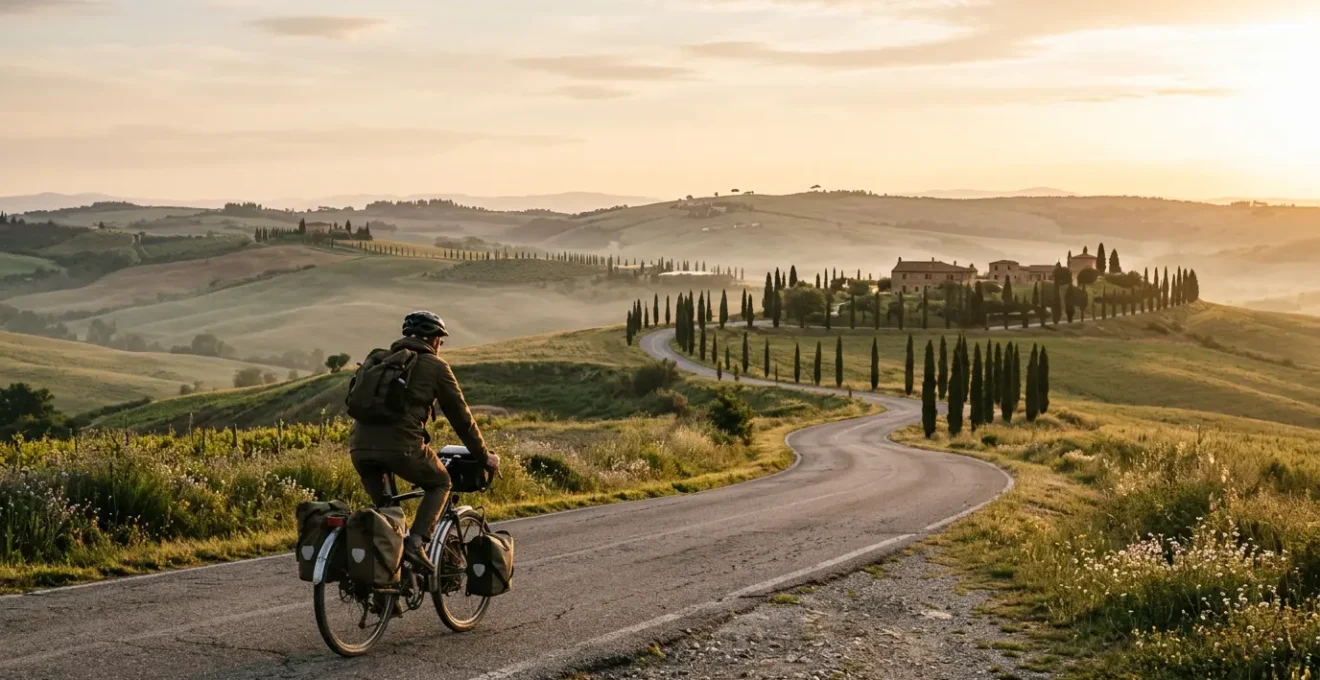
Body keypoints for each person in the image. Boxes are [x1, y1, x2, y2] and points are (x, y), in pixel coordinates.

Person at [348, 311, 499, 572]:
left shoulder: (378, 360)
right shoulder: (436, 367)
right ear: (436, 340)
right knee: (441, 482)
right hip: (402, 449)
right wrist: (484, 456)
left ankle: (386, 596)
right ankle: (417, 544)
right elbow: (462, 420)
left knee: (388, 516)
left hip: (359, 450)